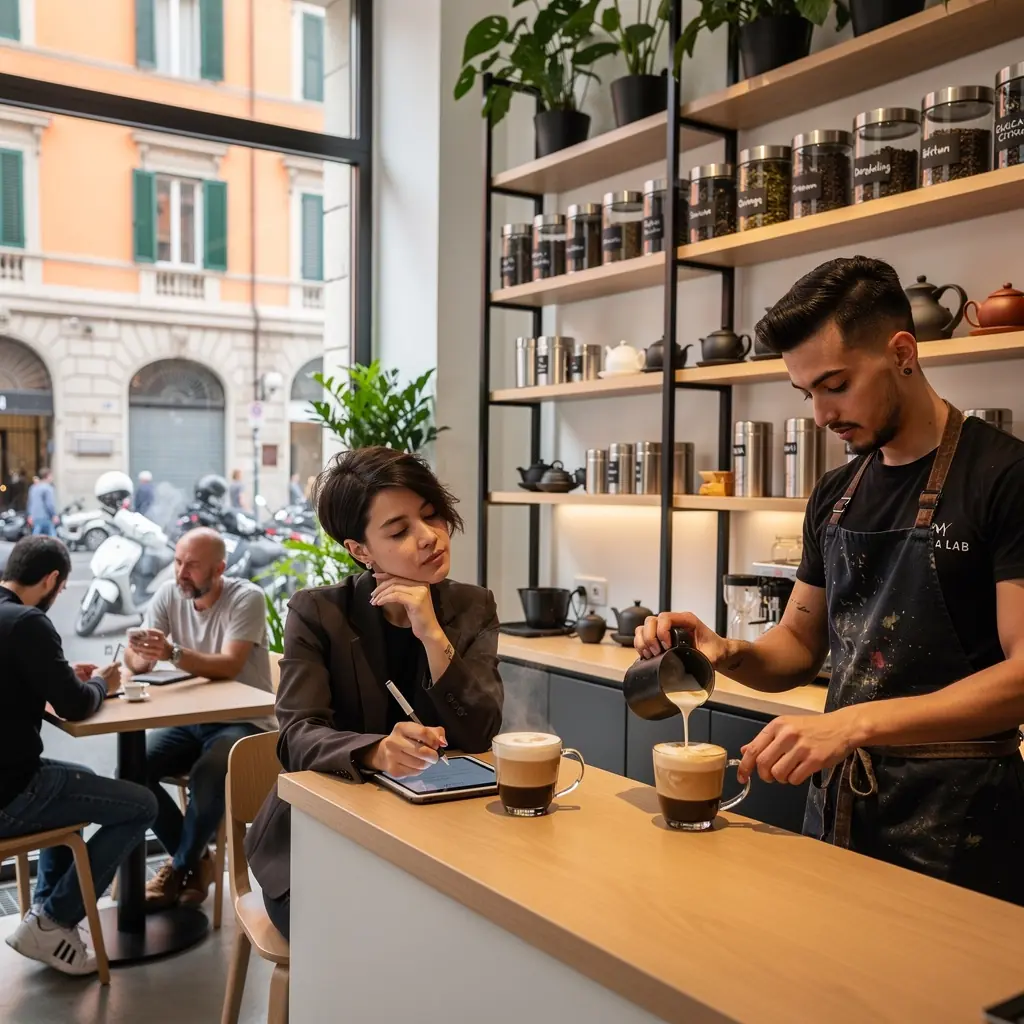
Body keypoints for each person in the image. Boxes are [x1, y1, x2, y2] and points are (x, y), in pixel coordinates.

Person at [636, 256, 1024, 905]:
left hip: (965, 826)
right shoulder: (837, 494)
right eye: (806, 394)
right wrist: (724, 651)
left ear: (903, 352)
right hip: (842, 809)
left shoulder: (1003, 478)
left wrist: (852, 725)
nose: (820, 415)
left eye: (835, 385)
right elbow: (797, 645)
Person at [245, 446, 504, 939]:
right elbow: (297, 737)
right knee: (376, 936)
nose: (428, 537)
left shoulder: (472, 607)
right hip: (322, 837)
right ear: (360, 550)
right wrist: (377, 750)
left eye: (430, 516)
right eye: (399, 530)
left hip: (441, 832)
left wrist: (432, 635)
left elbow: (481, 730)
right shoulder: (318, 613)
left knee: (476, 932)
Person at [0, 536, 158, 976]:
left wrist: (63, 676)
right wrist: (103, 683)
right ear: (51, 579)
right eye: (62, 586)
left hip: (8, 783)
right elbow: (74, 706)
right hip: (11, 794)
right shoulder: (28, 621)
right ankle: (54, 921)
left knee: (82, 778)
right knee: (141, 804)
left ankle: (47, 917)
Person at [125, 527, 272, 911]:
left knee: (211, 773)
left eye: (192, 565)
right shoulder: (169, 594)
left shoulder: (246, 598)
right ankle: (197, 862)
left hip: (246, 722)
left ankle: (177, 866)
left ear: (219, 568)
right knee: (132, 769)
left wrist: (171, 653)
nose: (180, 573)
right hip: (192, 718)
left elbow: (229, 664)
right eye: (177, 562)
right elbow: (139, 660)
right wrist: (138, 654)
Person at [26, 468, 58, 536]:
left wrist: (30, 515)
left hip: (35, 517)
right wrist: (54, 515)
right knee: (52, 536)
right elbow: (50, 504)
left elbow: (29, 503)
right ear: (48, 476)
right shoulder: (48, 488)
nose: (52, 478)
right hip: (45, 517)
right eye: (51, 476)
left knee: (36, 536)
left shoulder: (33, 487)